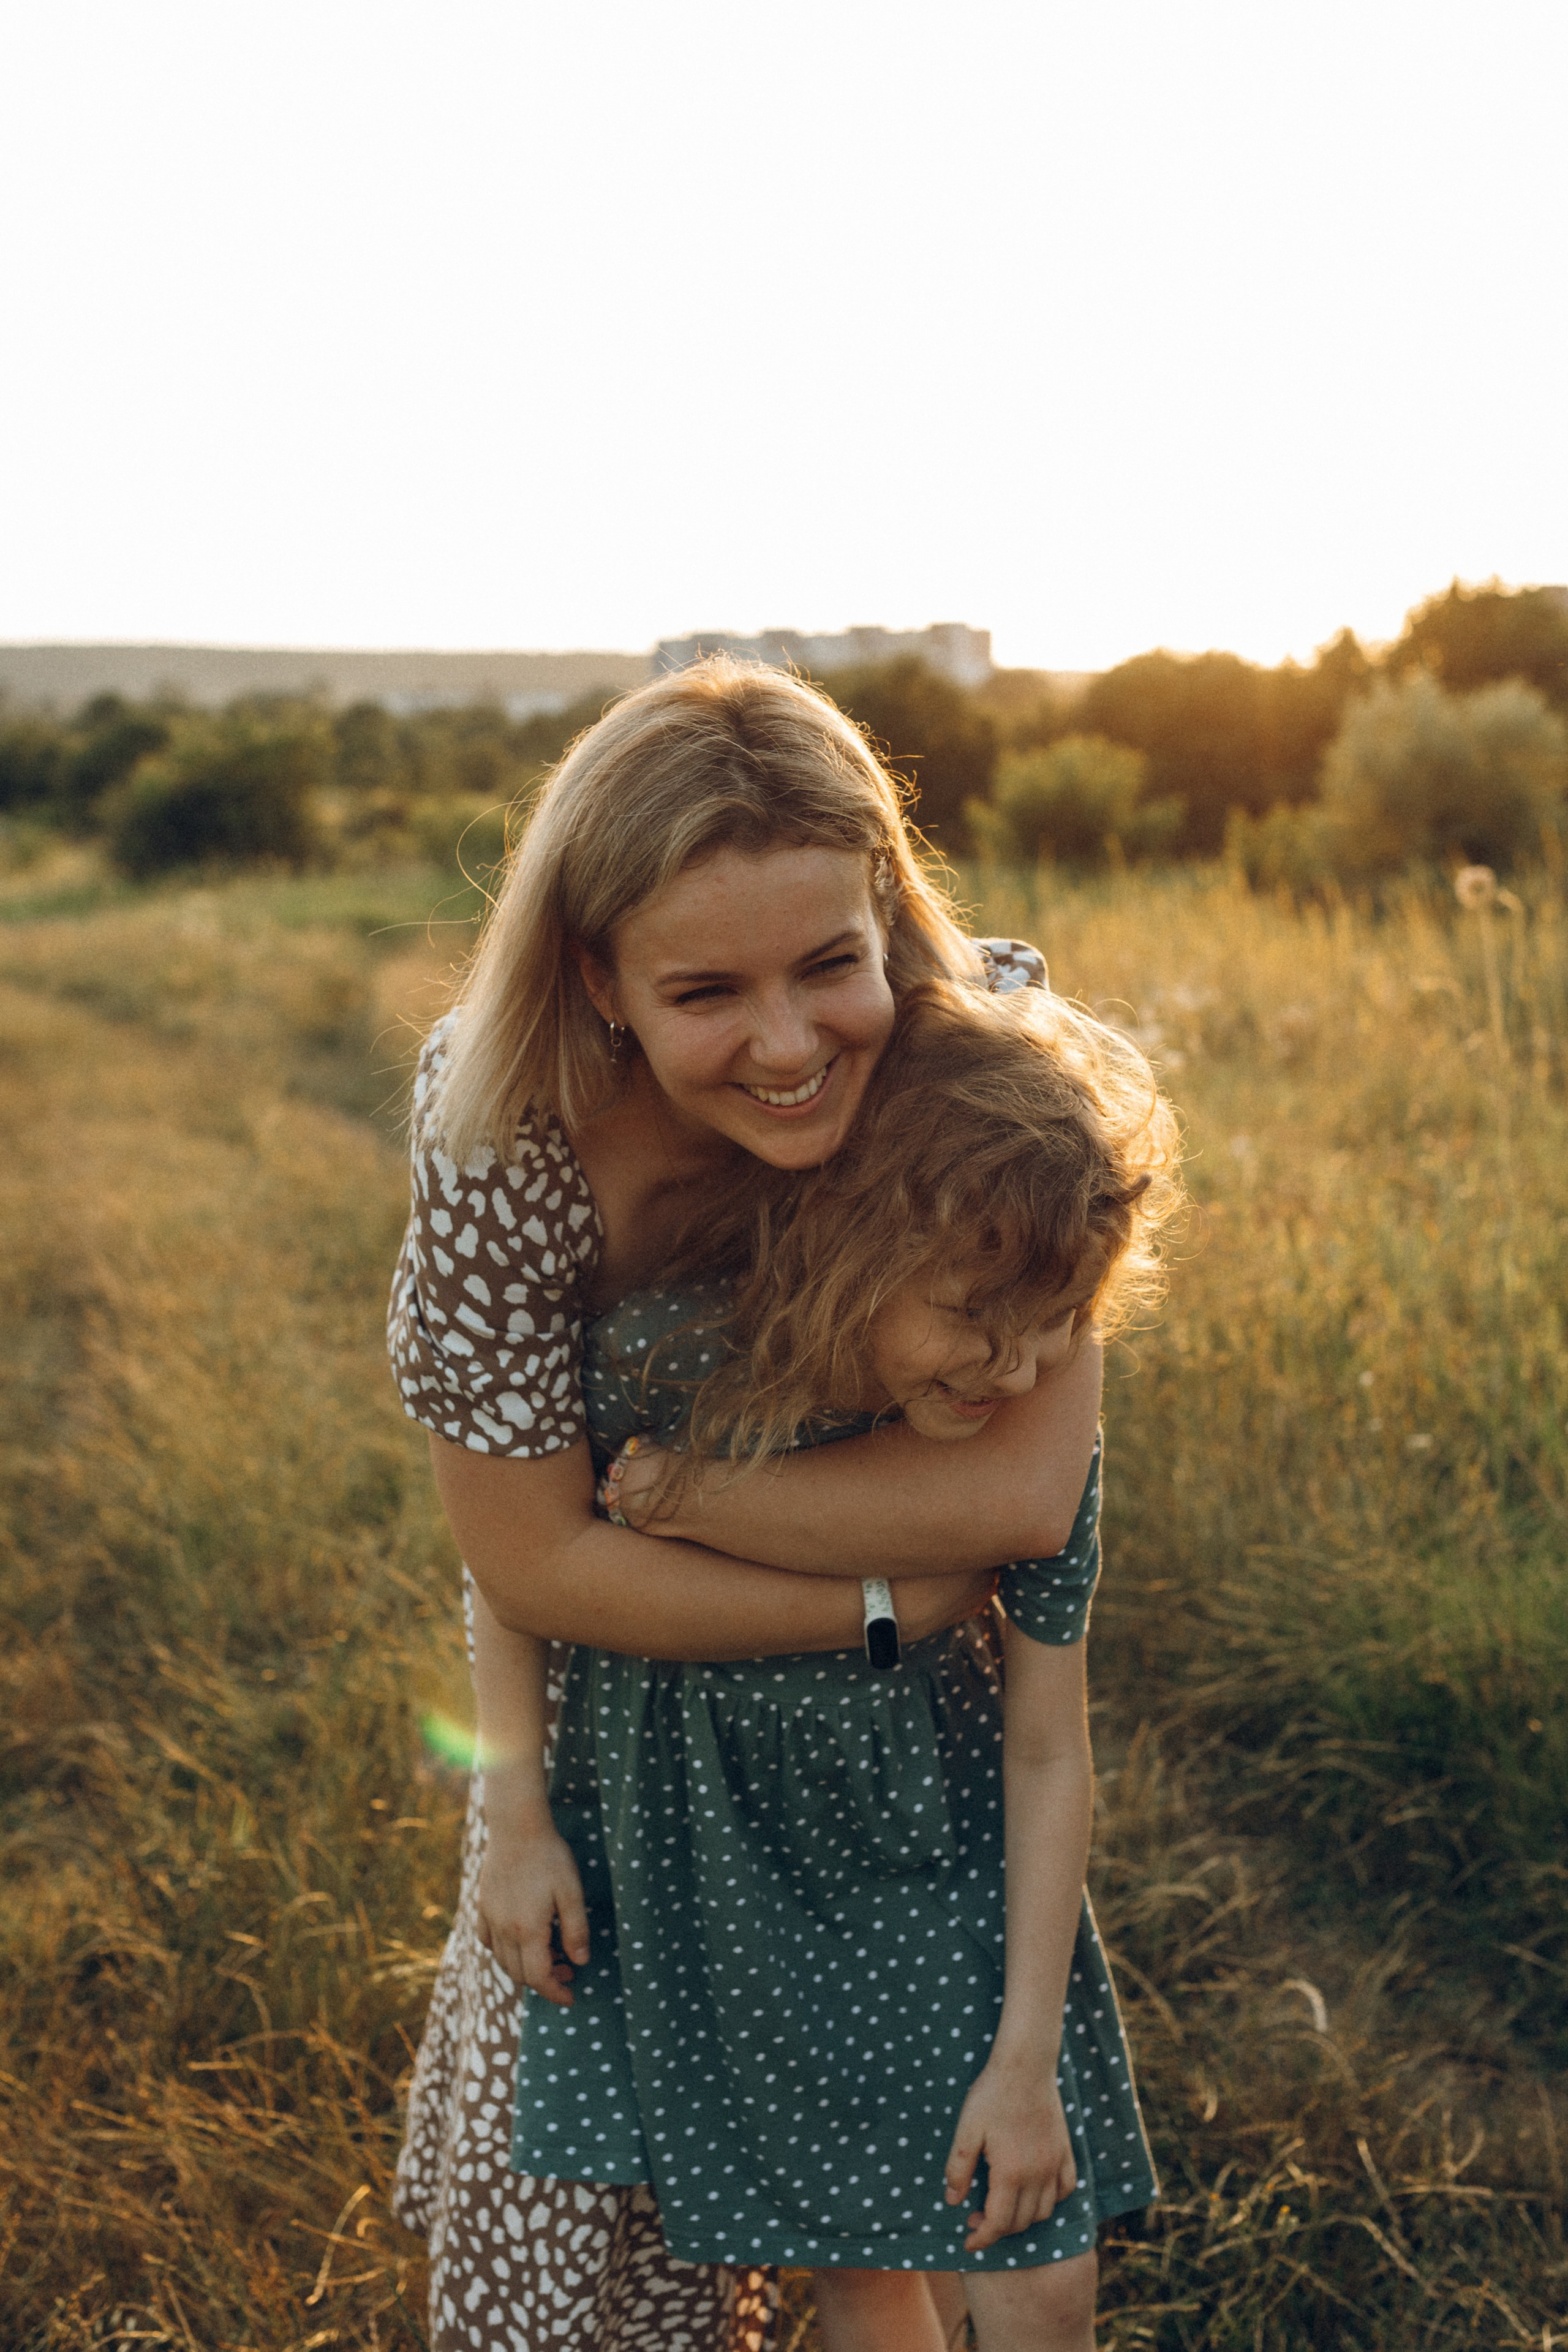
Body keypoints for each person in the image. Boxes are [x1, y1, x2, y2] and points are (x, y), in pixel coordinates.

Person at [388, 658, 1098, 2352]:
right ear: (599, 977)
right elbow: (535, 1562)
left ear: (887, 918)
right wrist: (877, 1600)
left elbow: (1017, 1485)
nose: (790, 1047)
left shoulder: (982, 1069)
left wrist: (704, 1515)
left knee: (919, 2225)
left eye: (831, 966)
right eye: (709, 989)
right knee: (580, 2269)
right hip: (628, 1754)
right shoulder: (505, 1135)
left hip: (884, 1781)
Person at [489, 980, 1178, 2352]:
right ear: (853, 1246)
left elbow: (1049, 1742)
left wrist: (1026, 2052)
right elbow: (514, 1570)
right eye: (980, 1320)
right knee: (859, 2260)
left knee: (1034, 2257)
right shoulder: (662, 1359)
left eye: (1060, 1325)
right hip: (725, 1882)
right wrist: (517, 1817)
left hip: (950, 1871)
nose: (1024, 1366)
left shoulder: (1009, 1440)